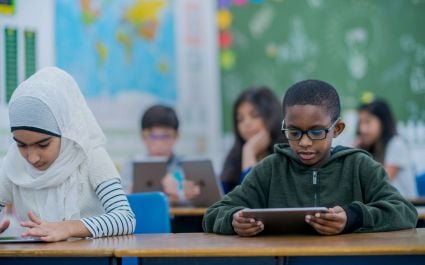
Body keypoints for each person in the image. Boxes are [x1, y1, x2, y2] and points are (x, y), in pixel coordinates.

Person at [203, 79, 417, 236]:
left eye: (316, 132)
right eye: (294, 132)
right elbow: (214, 213)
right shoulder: (270, 169)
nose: (304, 142)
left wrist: (353, 217)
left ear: (338, 128)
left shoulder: (360, 166)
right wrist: (233, 221)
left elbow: (405, 212)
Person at [0, 67, 135, 242]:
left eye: (43, 144)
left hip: (90, 259)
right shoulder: (12, 165)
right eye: (21, 145)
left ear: (66, 132)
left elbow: (125, 219)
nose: (32, 157)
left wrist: (68, 227)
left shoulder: (90, 156)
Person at [126, 104, 200, 205]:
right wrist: (128, 196)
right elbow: (117, 205)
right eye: (152, 136)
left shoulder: (187, 167)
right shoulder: (132, 166)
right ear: (143, 137)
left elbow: (205, 204)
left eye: (166, 136)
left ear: (177, 136)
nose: (159, 143)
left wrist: (182, 197)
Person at [220, 86, 285, 193]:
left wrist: (249, 151)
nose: (246, 123)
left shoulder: (286, 155)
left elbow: (253, 198)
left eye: (254, 115)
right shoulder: (234, 156)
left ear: (272, 116)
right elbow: (221, 196)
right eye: (240, 119)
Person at [354, 99, 417, 198]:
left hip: (405, 208)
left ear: (383, 123)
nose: (362, 129)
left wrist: (354, 152)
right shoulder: (370, 147)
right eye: (360, 123)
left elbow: (380, 182)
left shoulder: (396, 144)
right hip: (383, 207)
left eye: (368, 122)